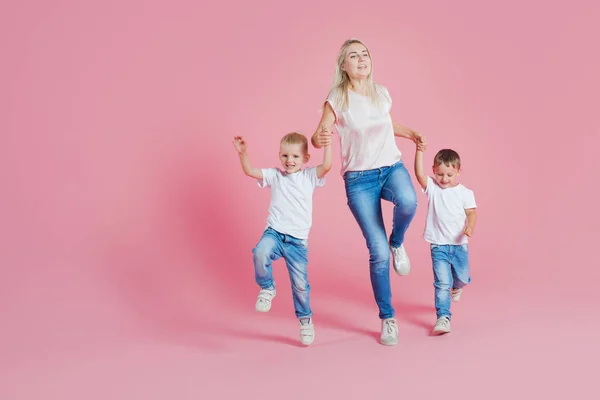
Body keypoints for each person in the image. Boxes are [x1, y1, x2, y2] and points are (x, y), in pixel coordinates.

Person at [311, 38, 426, 346]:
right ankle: (388, 319)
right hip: (359, 180)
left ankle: (397, 242)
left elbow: (386, 123)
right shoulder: (337, 98)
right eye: (353, 55)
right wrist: (319, 137)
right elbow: (318, 135)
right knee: (377, 252)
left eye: (364, 54)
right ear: (343, 66)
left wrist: (411, 133)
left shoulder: (381, 93)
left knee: (409, 201)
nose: (361, 59)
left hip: (390, 168)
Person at [232, 132, 332, 345]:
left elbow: (327, 166)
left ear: (305, 159)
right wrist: (243, 154)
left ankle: (305, 320)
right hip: (275, 233)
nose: (290, 161)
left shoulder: (309, 177)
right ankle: (267, 287)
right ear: (279, 156)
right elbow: (250, 171)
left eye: (295, 157)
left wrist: (327, 145)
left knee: (301, 285)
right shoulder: (275, 176)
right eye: (285, 156)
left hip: (297, 242)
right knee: (260, 252)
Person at [413, 145, 478, 335]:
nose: (444, 179)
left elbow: (471, 213)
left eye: (449, 175)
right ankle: (443, 317)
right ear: (434, 170)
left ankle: (457, 287)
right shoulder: (433, 187)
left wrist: (470, 227)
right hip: (438, 245)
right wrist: (419, 151)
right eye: (440, 174)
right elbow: (418, 174)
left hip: (459, 246)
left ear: (458, 172)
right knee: (442, 283)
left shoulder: (465, 193)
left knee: (463, 278)